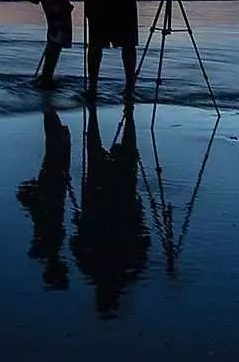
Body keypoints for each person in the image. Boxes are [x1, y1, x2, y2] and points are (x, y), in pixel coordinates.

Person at [69, 102, 150, 316]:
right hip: (116, 206)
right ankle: (127, 110)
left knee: (105, 155)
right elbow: (143, 243)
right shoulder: (117, 271)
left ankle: (101, 110)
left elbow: (75, 243)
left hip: (103, 205)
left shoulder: (93, 269)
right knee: (118, 155)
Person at [17, 108, 72, 290]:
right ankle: (48, 108)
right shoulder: (49, 245)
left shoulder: (46, 246)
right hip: (53, 192)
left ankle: (48, 108)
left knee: (54, 154)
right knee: (55, 155)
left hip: (52, 193)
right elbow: (42, 219)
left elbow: (41, 219)